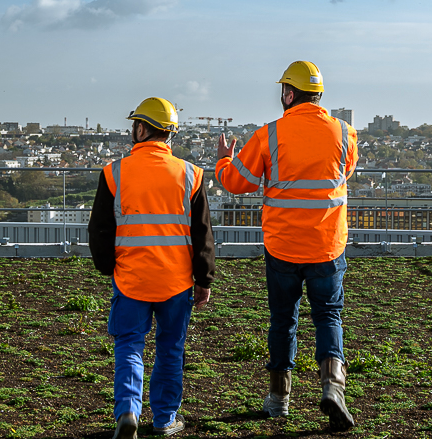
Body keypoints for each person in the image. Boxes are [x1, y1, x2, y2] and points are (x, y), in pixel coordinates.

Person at [213, 60, 359, 431]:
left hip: (283, 249)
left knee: (283, 321)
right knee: (328, 316)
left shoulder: (269, 135)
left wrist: (223, 160)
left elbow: (236, 182)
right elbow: (344, 171)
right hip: (327, 246)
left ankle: (279, 399)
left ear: (288, 94)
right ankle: (333, 387)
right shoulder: (345, 132)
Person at [90, 97, 217, 439]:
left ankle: (128, 411)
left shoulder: (114, 173)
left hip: (131, 279)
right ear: (169, 134)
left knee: (129, 344)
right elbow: (202, 233)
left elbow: (100, 229)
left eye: (135, 125)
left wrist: (108, 267)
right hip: (176, 283)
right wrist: (204, 278)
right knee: (170, 348)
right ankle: (164, 420)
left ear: (142, 128)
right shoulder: (191, 175)